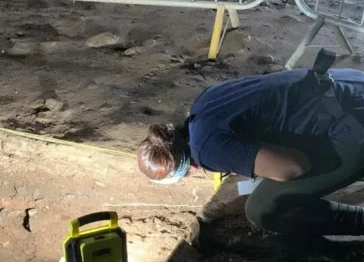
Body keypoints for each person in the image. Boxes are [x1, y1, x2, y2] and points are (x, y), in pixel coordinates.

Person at [135, 50, 364, 236]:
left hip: (352, 127)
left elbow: (295, 167)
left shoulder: (206, 150)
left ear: (184, 170)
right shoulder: (202, 105)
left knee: (261, 209)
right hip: (348, 85)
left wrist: (269, 170)